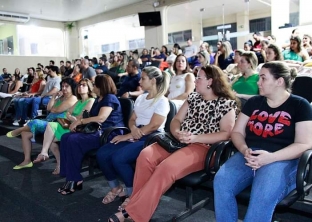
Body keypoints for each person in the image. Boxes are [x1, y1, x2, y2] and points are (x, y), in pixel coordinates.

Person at [107, 65, 237, 222]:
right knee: (145, 155)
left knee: (166, 167)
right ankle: (136, 202)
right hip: (178, 140)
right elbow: (176, 120)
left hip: (203, 146)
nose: (195, 80)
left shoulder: (226, 104)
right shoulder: (193, 97)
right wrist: (176, 132)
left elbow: (226, 133)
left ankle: (134, 213)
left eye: (199, 78)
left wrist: (195, 138)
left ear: (210, 81)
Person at [214, 61, 312, 222]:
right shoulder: (255, 102)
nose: (258, 82)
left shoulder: (300, 105)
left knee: (263, 192)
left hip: (283, 158)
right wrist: (244, 149)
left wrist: (270, 158)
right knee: (221, 182)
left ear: (279, 81)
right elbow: (237, 131)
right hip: (250, 154)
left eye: (263, 78)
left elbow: (305, 144)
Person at [97, 66, 170, 208]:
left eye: (143, 78)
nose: (140, 81)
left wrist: (132, 134)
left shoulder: (162, 101)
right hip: (136, 133)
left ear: (153, 80)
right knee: (102, 154)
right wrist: (133, 129)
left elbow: (154, 125)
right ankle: (116, 188)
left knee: (119, 158)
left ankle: (133, 194)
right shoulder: (141, 98)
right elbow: (132, 119)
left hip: (152, 138)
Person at [57, 75, 124, 195]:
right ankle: (72, 176)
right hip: (96, 131)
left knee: (74, 140)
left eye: (94, 84)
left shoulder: (110, 98)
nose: (92, 86)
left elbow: (101, 118)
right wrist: (78, 122)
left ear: (100, 86)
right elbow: (90, 117)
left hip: (108, 133)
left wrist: (80, 121)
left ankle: (73, 178)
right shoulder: (99, 99)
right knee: (66, 137)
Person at [7, 78, 78, 169]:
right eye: (62, 86)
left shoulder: (73, 98)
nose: (63, 88)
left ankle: (18, 130)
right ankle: (27, 161)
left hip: (58, 125)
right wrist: (53, 97)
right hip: (48, 121)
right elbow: (49, 108)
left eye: (66, 86)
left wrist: (54, 108)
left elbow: (56, 110)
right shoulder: (61, 98)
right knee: (25, 134)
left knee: (35, 122)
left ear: (72, 87)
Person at [33, 79, 96, 174]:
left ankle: (46, 154)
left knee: (50, 132)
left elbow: (81, 117)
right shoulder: (78, 101)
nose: (80, 87)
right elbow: (67, 114)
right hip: (70, 125)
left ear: (89, 88)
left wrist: (72, 117)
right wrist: (72, 117)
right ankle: (57, 162)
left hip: (80, 128)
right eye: (79, 85)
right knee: (50, 138)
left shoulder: (90, 100)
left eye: (83, 85)